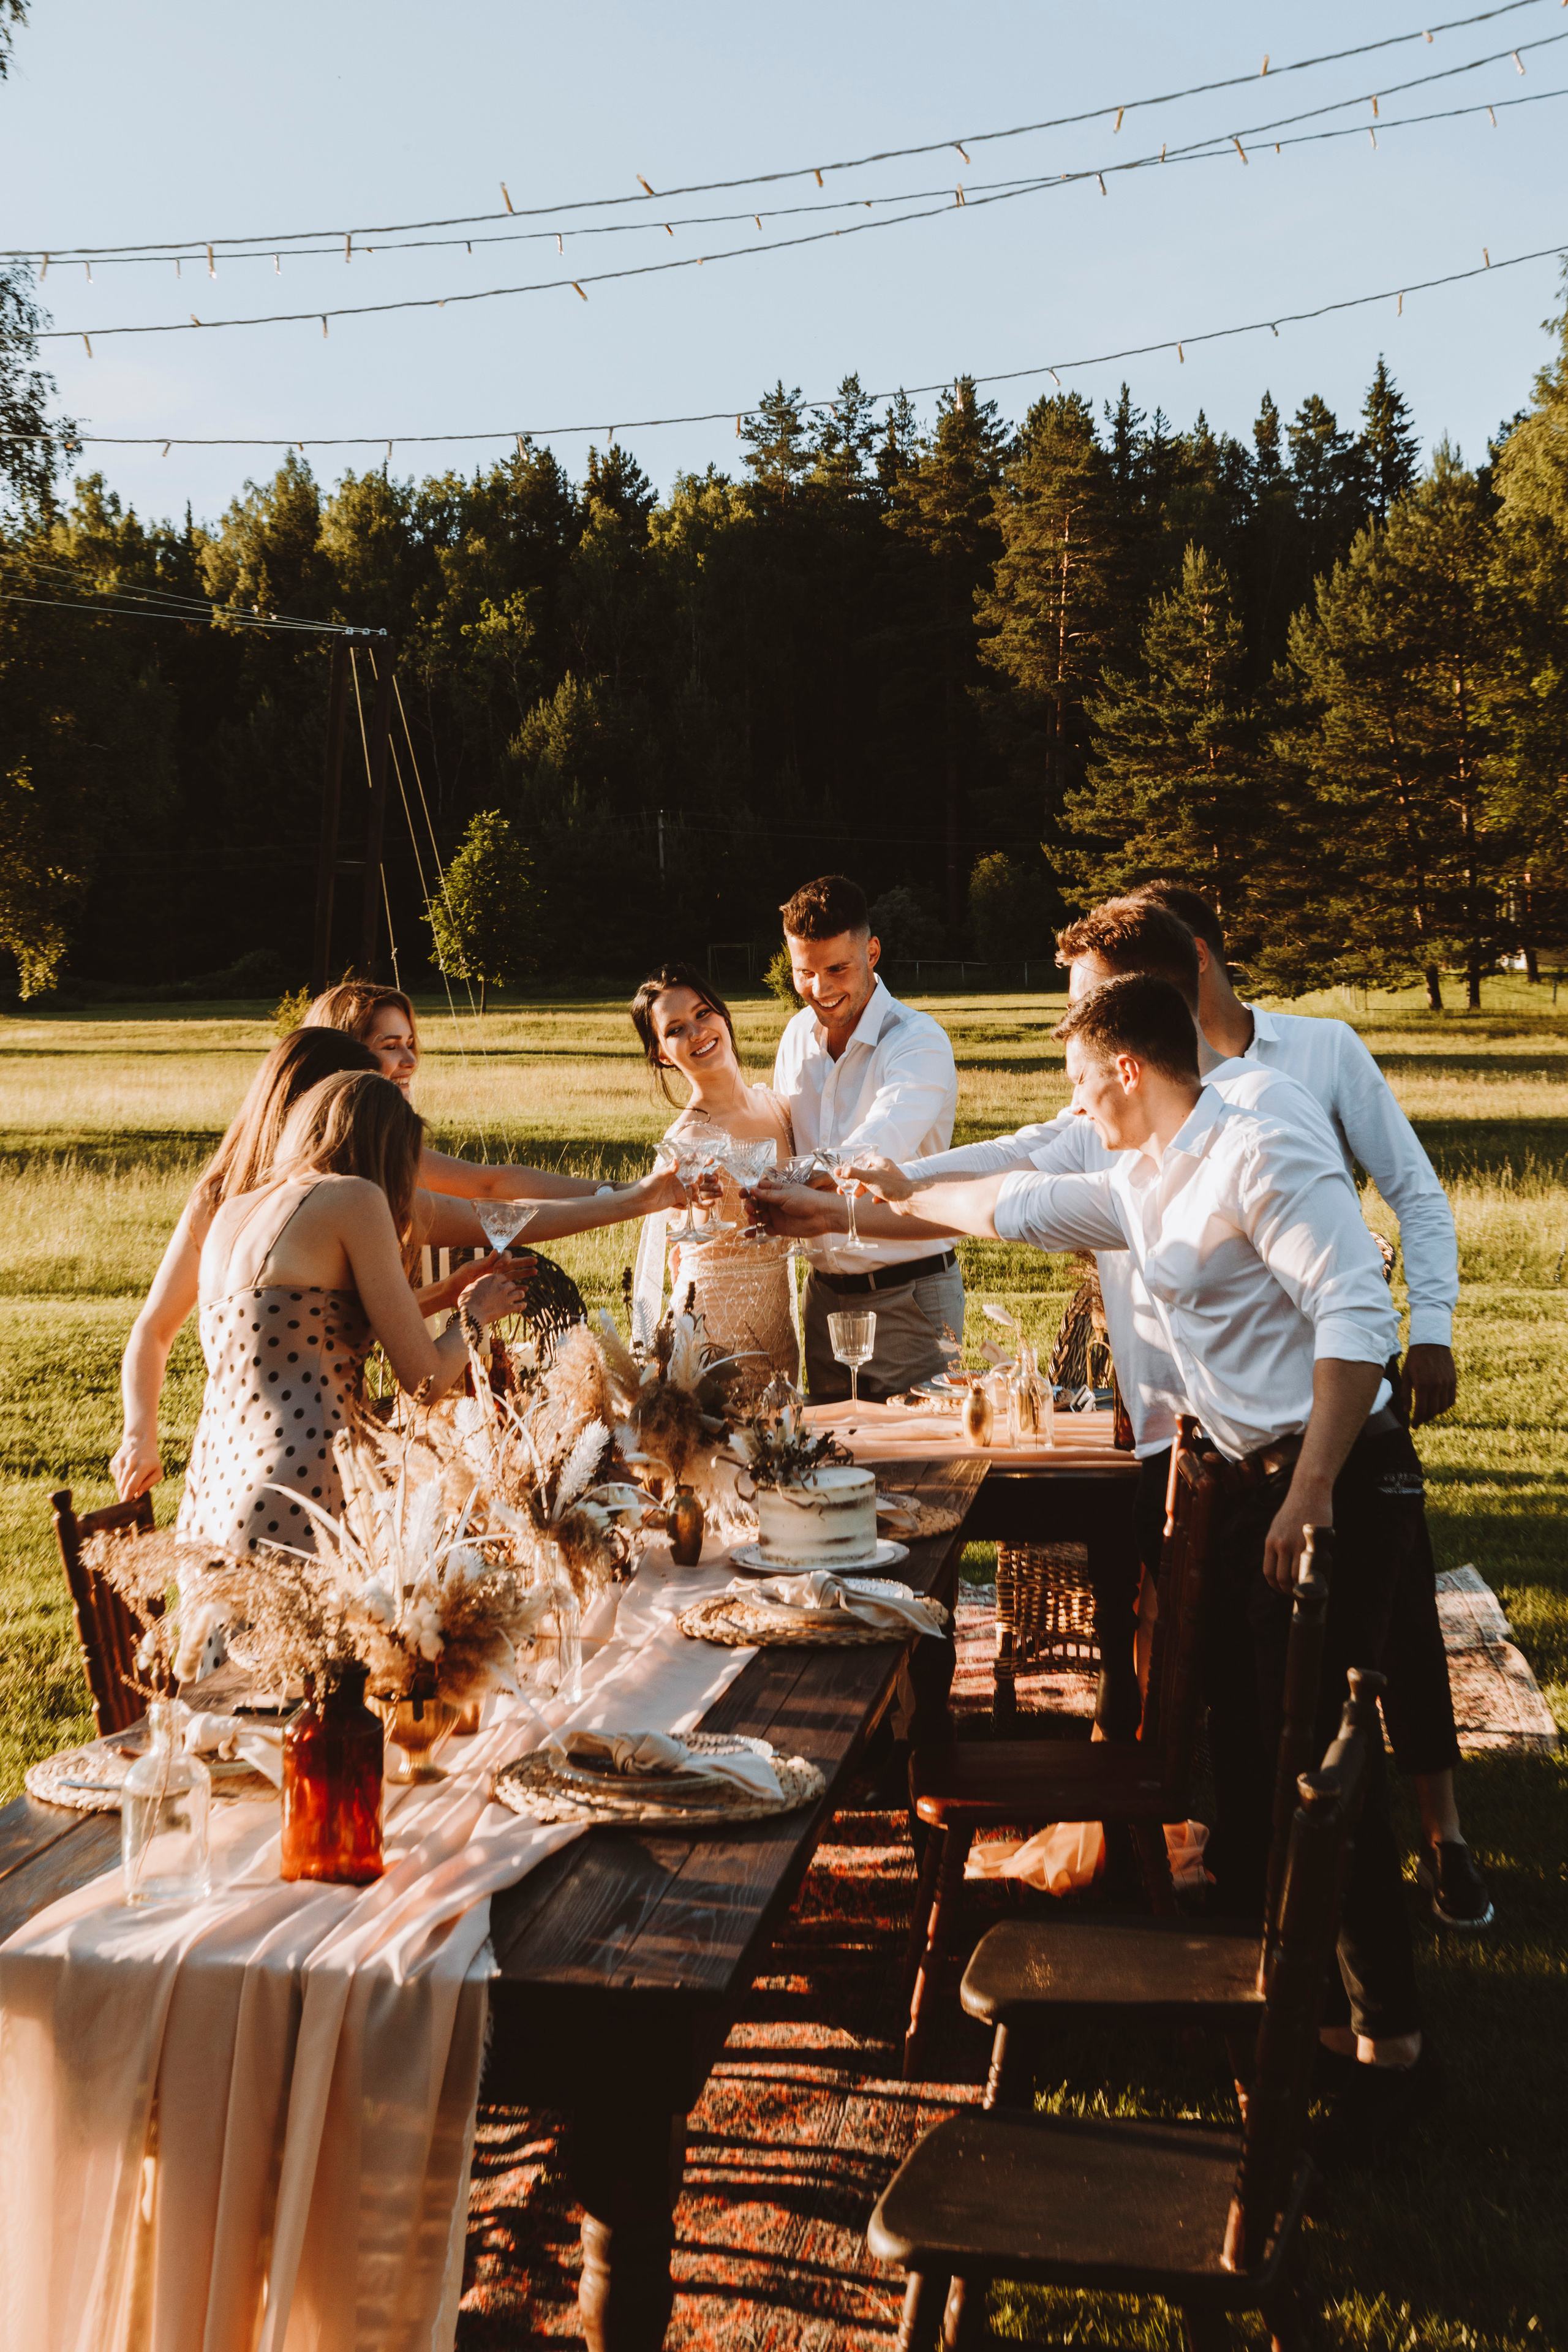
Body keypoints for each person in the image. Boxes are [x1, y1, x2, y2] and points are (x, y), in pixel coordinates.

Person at [846, 974, 1436, 2154]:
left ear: (1128, 1070)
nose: (1073, 1108)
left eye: (1080, 1084)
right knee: (1250, 1760)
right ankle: (1296, 2017)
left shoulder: (1261, 1140)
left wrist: (1308, 1493)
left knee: (1318, 1768)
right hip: (1239, 1479)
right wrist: (905, 1189)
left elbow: (1359, 1321)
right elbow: (1020, 1202)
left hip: (1324, 1482)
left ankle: (1388, 2053)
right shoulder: (1147, 1163)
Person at [1127, 878, 1488, 1930]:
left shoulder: (1320, 1054)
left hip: (1340, 1400)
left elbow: (1413, 1190)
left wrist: (1429, 1329)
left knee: (1399, 1634)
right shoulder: (1147, 1073)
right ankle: (1266, 1871)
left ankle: (1447, 1840)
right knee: (1267, 1671)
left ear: (1196, 957)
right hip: (1233, 1416)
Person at [176, 1070, 526, 1558]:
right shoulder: (354, 1197)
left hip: (211, 1489)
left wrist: (446, 1291)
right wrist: (474, 1315)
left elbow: (302, 1332)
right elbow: (424, 1379)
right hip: (305, 1481)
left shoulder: (233, 1211)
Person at [771, 875, 962, 1400]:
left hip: (910, 1294)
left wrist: (792, 1183)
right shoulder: (795, 1038)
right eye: (804, 972)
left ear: (872, 951)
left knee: (924, 1469)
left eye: (838, 968)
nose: (820, 988)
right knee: (832, 1460)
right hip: (822, 1298)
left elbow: (875, 1146)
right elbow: (778, 1135)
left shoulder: (918, 1040)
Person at [627, 964, 797, 1395]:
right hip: (714, 1338)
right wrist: (695, 1206)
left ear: (723, 1015)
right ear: (662, 1053)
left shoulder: (778, 1108)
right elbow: (675, 1253)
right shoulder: (685, 1140)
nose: (698, 1032)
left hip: (781, 1334)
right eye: (677, 1029)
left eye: (703, 1013)